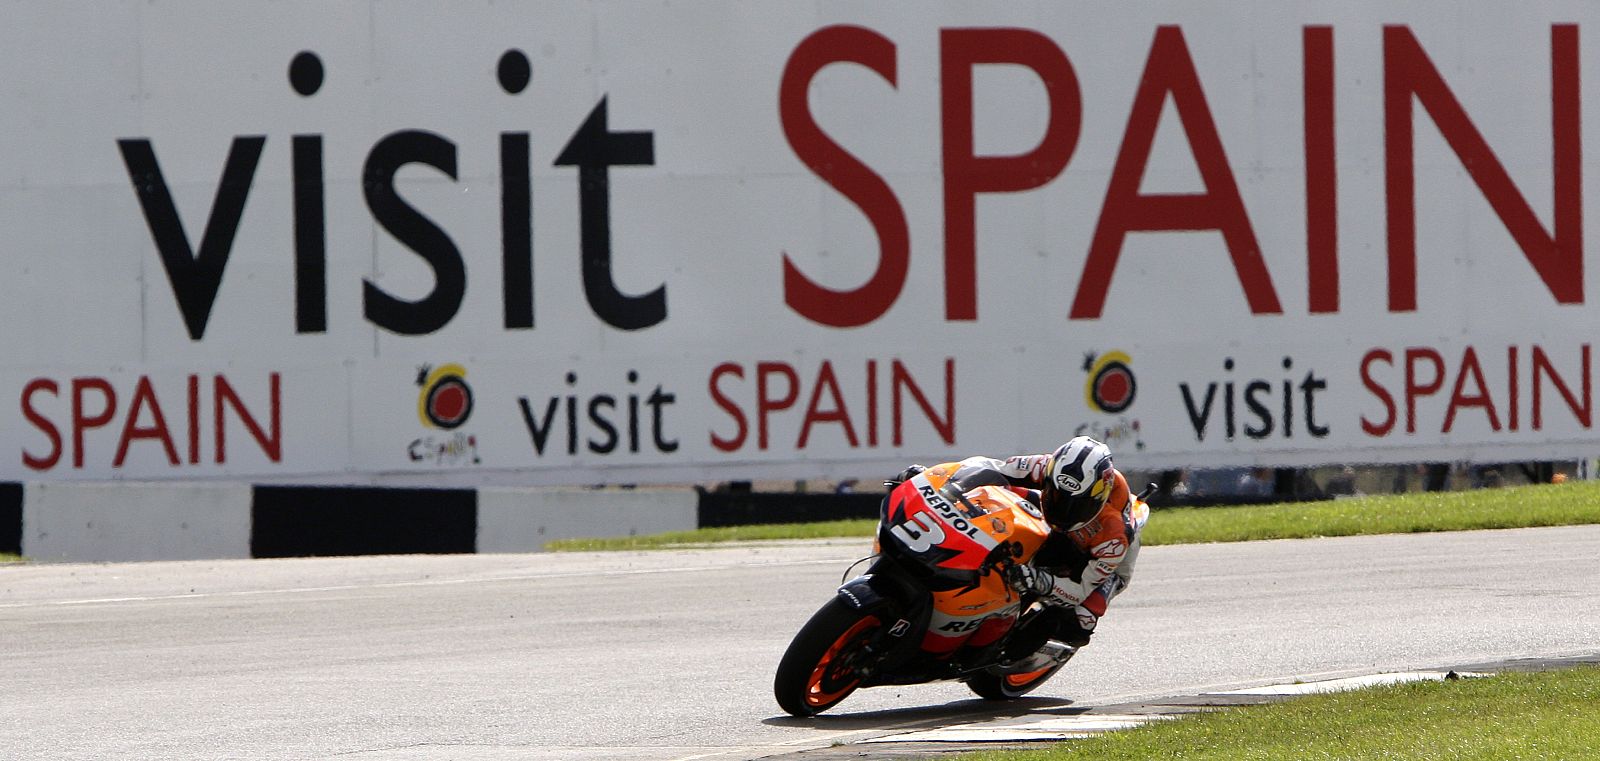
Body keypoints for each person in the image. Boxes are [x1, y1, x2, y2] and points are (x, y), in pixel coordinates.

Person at [887, 435, 1147, 649]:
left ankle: (1020, 654)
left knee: (1079, 621)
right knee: (993, 498)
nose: (1065, 509)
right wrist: (936, 479)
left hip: (1096, 557)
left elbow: (1080, 589)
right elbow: (986, 467)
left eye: (1075, 504)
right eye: (1058, 495)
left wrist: (1038, 580)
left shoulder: (1115, 534)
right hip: (1054, 524)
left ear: (1096, 497)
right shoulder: (1043, 467)